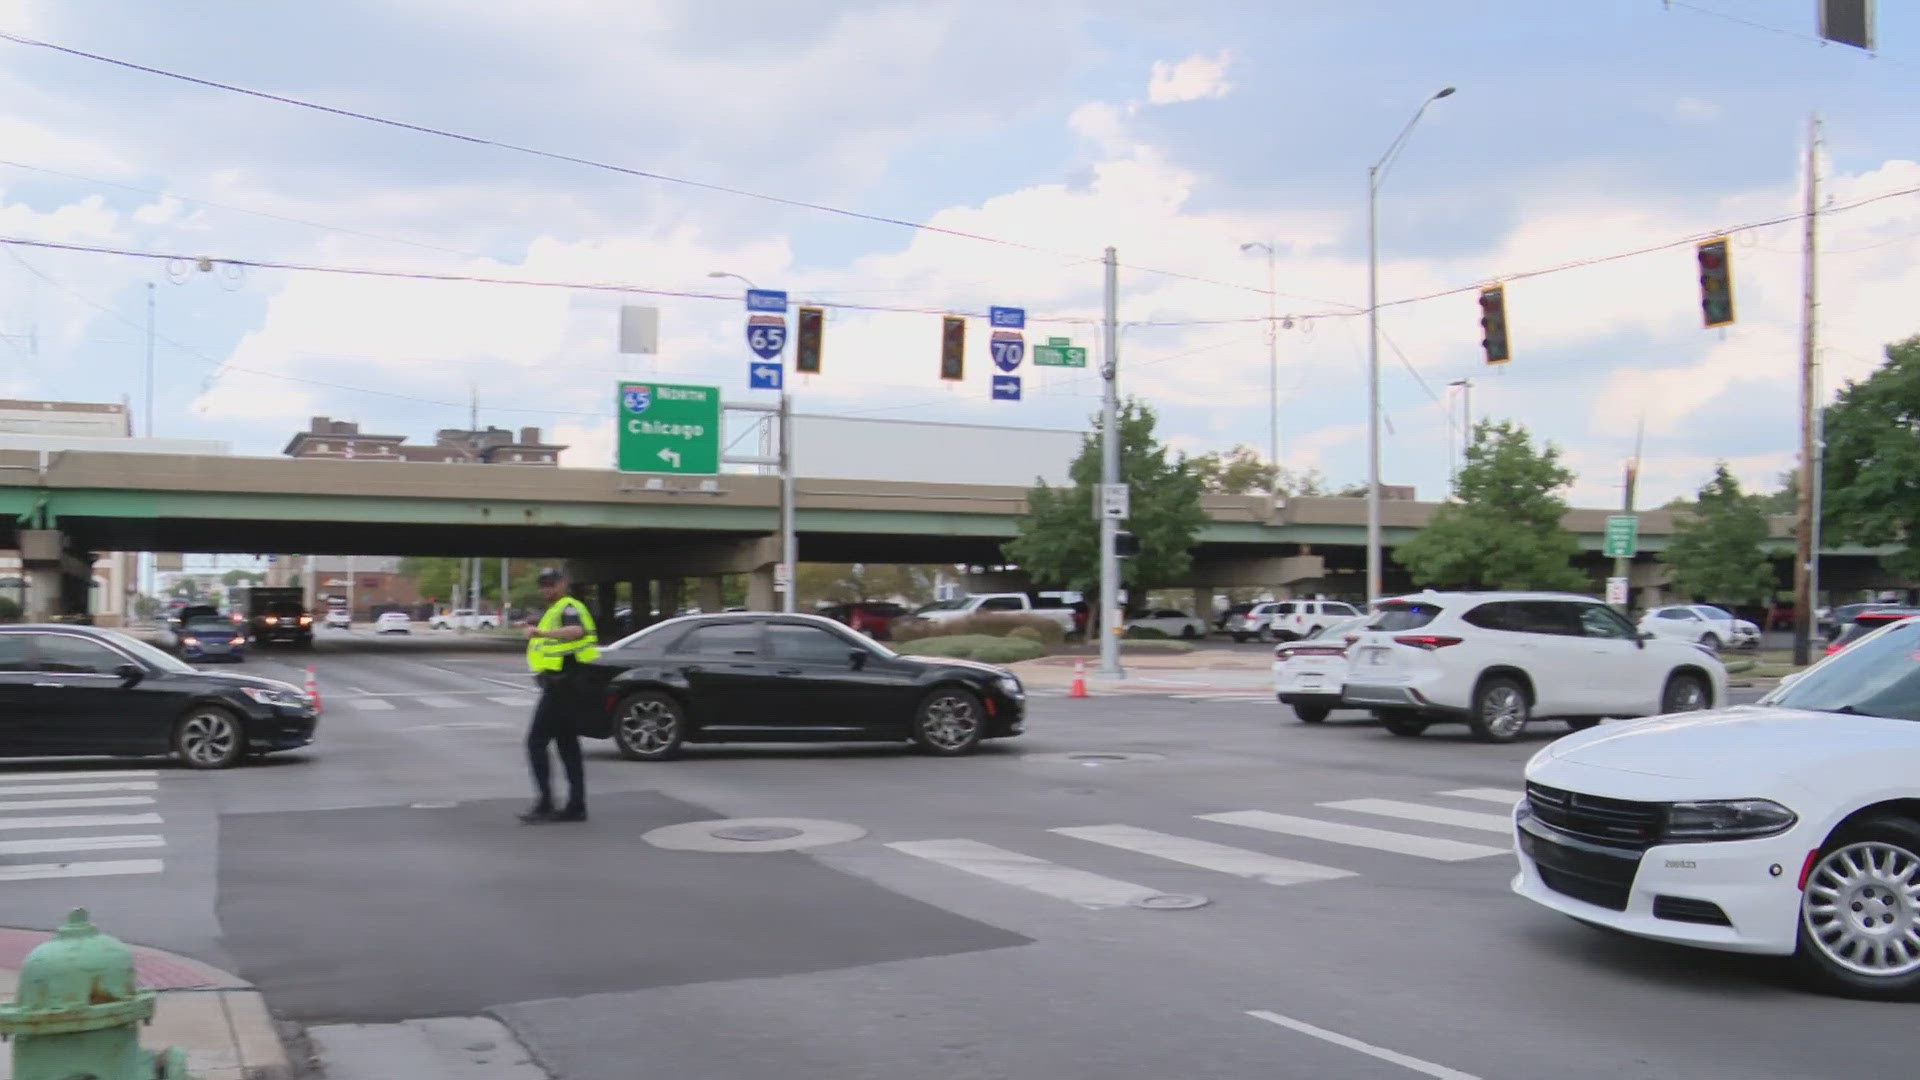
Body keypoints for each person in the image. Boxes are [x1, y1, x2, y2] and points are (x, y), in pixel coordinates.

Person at [519, 567, 599, 823]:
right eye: (543, 585)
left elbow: (576, 631)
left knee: (535, 742)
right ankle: (576, 805)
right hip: (565, 684)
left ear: (564, 583)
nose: (547, 589)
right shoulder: (554, 611)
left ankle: (546, 803)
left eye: (552, 584)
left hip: (564, 685)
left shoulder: (568, 607)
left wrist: (540, 633)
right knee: (567, 745)